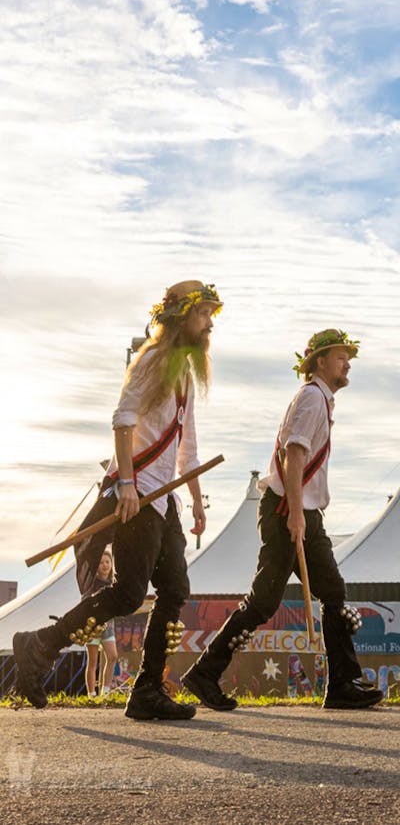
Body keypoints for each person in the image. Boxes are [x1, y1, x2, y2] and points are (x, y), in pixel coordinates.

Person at [13, 279, 222, 720]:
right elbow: (122, 420)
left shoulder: (184, 371)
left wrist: (198, 502)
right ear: (181, 317)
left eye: (210, 316)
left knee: (174, 589)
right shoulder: (152, 361)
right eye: (203, 314)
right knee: (129, 594)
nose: (209, 325)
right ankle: (39, 646)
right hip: (138, 495)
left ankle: (147, 690)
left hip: (163, 502)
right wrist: (126, 484)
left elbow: (188, 449)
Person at [182, 329, 383, 711]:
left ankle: (342, 683)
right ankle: (204, 673)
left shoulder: (320, 401)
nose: (348, 363)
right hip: (287, 512)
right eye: (341, 357)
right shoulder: (311, 398)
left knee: (334, 595)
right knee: (262, 603)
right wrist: (294, 512)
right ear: (320, 361)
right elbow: (294, 454)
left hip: (303, 512)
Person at [84, 551, 118, 697]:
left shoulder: (114, 584)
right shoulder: (91, 584)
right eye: (101, 562)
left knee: (113, 656)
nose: (105, 565)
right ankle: (91, 694)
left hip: (108, 626)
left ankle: (105, 691)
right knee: (93, 661)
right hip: (92, 627)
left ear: (111, 564)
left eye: (107, 562)